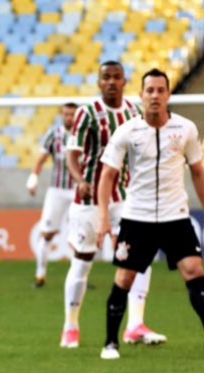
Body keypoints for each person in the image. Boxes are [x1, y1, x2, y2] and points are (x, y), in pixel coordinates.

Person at [95, 68, 204, 359]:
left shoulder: (185, 129)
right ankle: (110, 343)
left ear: (168, 94)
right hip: (138, 217)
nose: (155, 96)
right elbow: (107, 175)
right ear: (141, 95)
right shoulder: (128, 131)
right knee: (124, 278)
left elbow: (198, 172)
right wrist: (102, 218)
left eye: (161, 90)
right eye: (150, 90)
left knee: (194, 270)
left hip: (176, 216)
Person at [60, 60, 166, 349]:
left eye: (116, 77)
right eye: (106, 77)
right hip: (88, 201)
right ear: (99, 82)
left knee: (138, 257)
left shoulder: (133, 111)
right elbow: (72, 155)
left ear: (124, 81)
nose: (111, 82)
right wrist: (80, 179)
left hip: (125, 199)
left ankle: (135, 325)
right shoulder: (87, 113)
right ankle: (71, 326)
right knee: (83, 260)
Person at [28, 103, 77, 287]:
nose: (69, 117)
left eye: (72, 114)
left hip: (78, 191)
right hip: (57, 190)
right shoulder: (54, 134)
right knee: (47, 234)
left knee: (79, 236)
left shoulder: (84, 134)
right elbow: (41, 159)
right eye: (66, 114)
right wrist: (33, 178)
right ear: (61, 115)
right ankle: (40, 274)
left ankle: (78, 276)